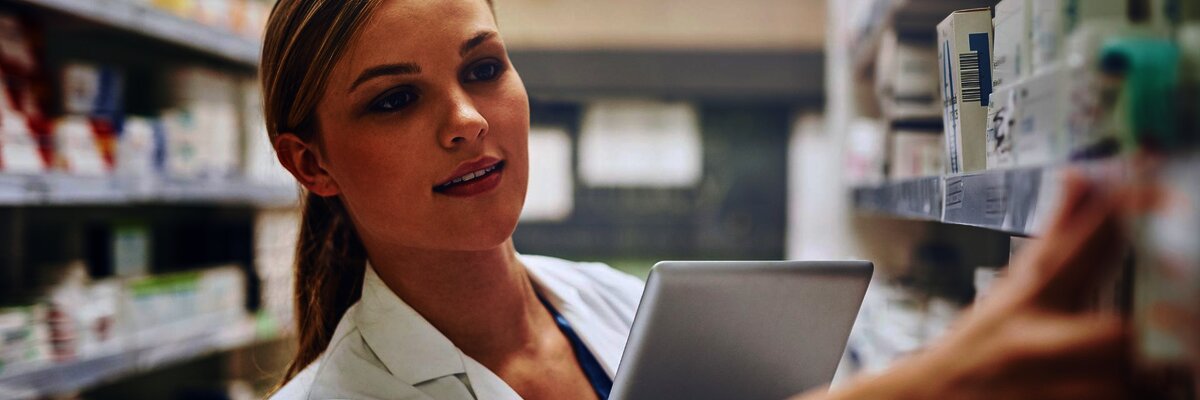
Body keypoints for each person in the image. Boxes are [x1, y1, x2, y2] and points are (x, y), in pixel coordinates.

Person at [261, 1, 1148, 399]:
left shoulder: (613, 302)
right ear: (311, 163)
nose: (465, 121)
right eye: (393, 99)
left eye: (484, 69)